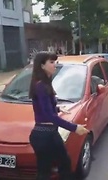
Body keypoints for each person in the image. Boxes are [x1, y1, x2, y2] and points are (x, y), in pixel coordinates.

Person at [28, 52, 89, 180]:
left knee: (55, 166)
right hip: (45, 135)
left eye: (54, 61)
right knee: (53, 168)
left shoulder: (44, 83)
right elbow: (49, 116)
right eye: (51, 62)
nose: (54, 64)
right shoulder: (41, 86)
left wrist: (58, 108)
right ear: (42, 65)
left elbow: (42, 107)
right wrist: (74, 128)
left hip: (47, 134)